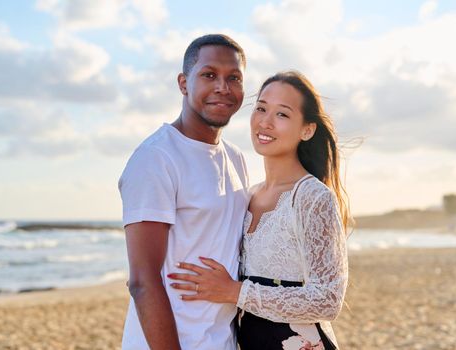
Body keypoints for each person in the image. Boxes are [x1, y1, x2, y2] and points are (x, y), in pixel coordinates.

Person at [168, 71, 350, 349]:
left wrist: (235, 291)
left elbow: (328, 300)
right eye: (261, 108)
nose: (265, 121)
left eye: (282, 115)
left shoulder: (313, 197)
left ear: (307, 129)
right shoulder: (247, 195)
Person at [118, 34, 250, 350]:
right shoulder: (157, 158)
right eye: (209, 75)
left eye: (233, 78)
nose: (223, 87)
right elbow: (142, 282)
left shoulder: (236, 158)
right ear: (183, 83)